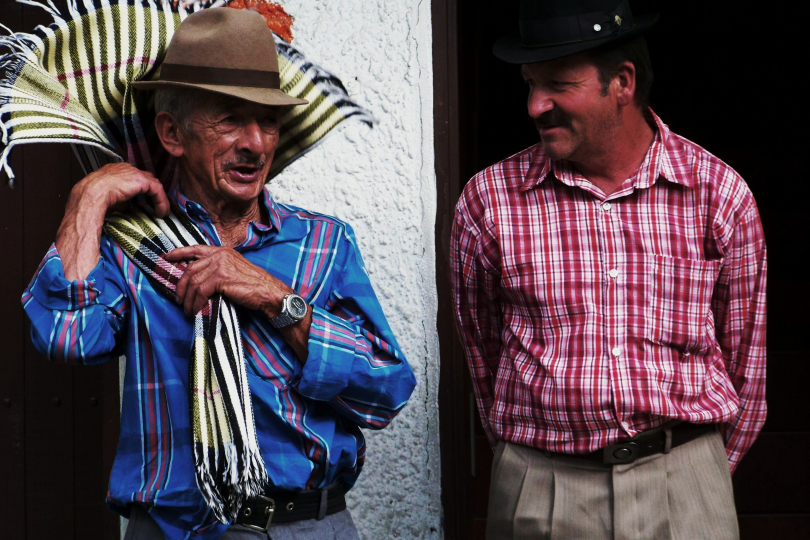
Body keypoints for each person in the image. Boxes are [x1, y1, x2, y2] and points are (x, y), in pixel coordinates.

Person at [21, 8, 416, 540]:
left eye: (269, 120)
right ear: (172, 132)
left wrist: (275, 297)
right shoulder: (133, 247)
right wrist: (87, 198)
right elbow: (67, 339)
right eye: (230, 118)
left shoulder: (323, 243)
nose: (256, 142)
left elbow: (386, 392)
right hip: (174, 529)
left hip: (309, 526)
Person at [450, 1, 766, 539]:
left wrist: (695, 476)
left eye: (556, 84)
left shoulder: (719, 195)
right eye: (529, 83)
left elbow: (746, 366)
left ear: (622, 82)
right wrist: (530, 469)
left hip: (684, 486)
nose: (534, 105)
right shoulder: (489, 201)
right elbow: (482, 355)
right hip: (543, 487)